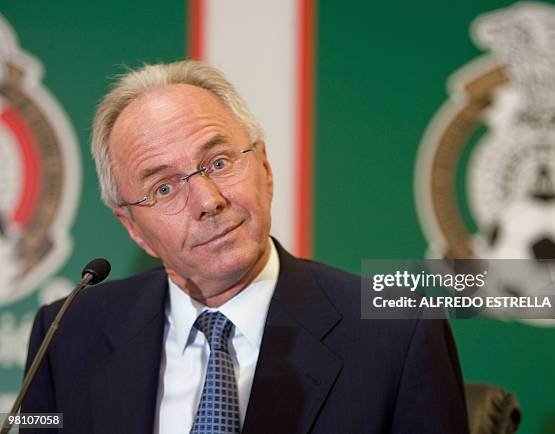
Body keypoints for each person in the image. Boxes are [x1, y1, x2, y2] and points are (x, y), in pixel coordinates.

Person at [21, 60, 469, 434]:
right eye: (163, 189)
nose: (208, 201)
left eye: (218, 162)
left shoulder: (398, 332)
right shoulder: (65, 334)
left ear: (266, 170)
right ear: (133, 227)